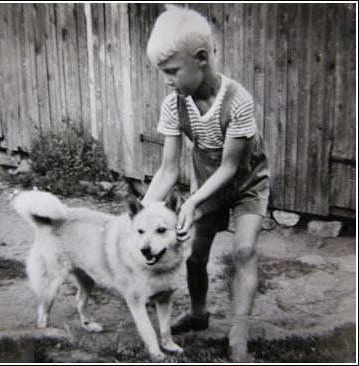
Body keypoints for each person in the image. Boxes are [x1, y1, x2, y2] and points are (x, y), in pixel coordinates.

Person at [142, 5, 270, 362]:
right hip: (206, 185)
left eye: (171, 71)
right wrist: (141, 218)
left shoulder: (238, 101)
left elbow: (230, 167)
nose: (166, 80)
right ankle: (199, 314)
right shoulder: (174, 105)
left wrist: (192, 202)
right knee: (195, 257)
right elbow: (168, 170)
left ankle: (239, 334)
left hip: (246, 184)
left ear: (201, 58)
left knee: (244, 250)